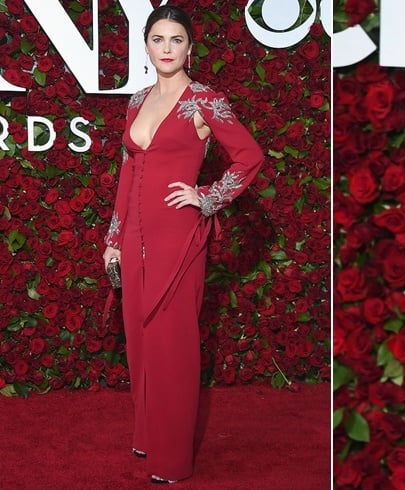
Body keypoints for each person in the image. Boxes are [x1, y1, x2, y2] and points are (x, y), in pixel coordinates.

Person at [102, 5, 264, 484]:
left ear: (190, 48)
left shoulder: (205, 102)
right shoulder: (136, 100)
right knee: (140, 337)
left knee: (172, 343)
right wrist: (113, 239)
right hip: (134, 235)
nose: (167, 48)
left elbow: (250, 156)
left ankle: (172, 459)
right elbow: (129, 173)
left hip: (179, 234)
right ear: (147, 47)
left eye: (176, 40)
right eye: (158, 39)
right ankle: (149, 434)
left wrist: (207, 197)